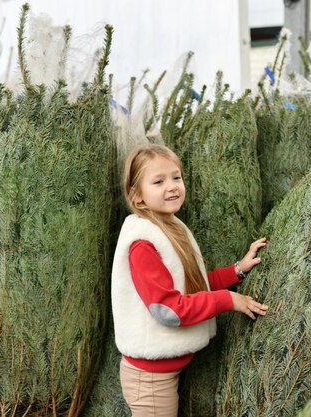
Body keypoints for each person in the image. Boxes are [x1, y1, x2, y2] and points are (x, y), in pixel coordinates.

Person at [111, 144, 268, 417]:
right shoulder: (143, 244)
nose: (171, 186)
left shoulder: (169, 226)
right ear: (137, 196)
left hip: (162, 371)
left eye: (176, 177)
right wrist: (228, 300)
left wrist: (237, 271)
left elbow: (190, 284)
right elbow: (168, 308)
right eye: (158, 181)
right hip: (149, 379)